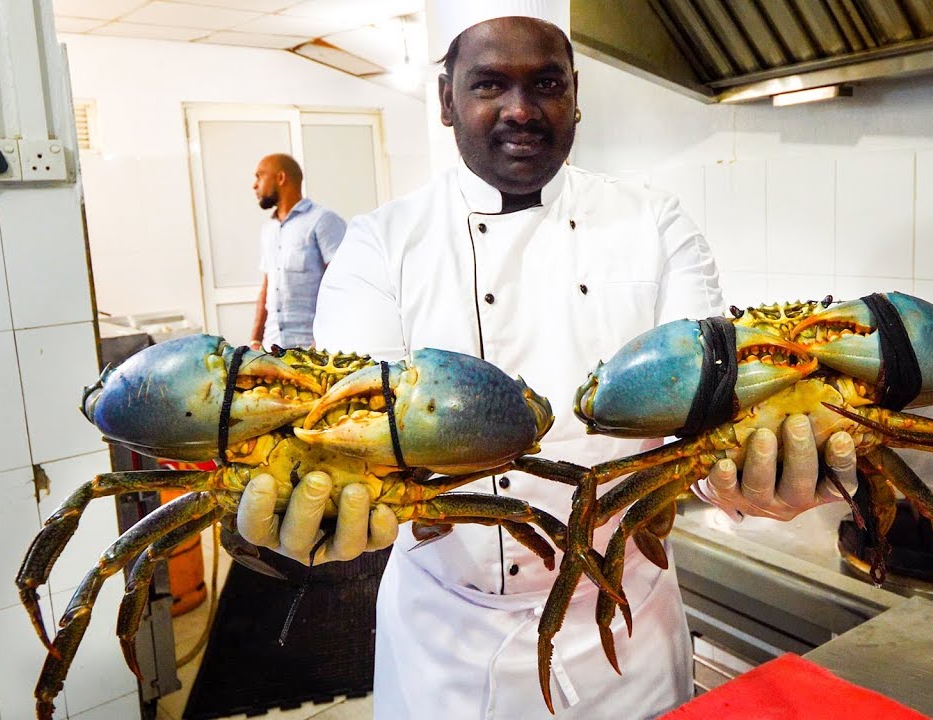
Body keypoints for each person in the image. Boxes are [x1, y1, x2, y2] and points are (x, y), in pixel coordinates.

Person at [235, 3, 858, 717]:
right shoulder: (379, 245)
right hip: (447, 648)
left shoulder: (654, 224)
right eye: (489, 85)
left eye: (547, 85)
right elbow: (356, 438)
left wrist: (748, 483)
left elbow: (711, 421)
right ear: (446, 100)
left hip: (627, 633)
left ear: (575, 97)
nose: (520, 110)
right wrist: (321, 514)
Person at [249, 153, 348, 350]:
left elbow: (345, 285)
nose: (255, 185)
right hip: (272, 348)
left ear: (281, 178)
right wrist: (255, 339)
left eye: (259, 176)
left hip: (312, 349)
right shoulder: (269, 229)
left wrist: (324, 339)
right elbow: (267, 287)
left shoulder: (323, 220)